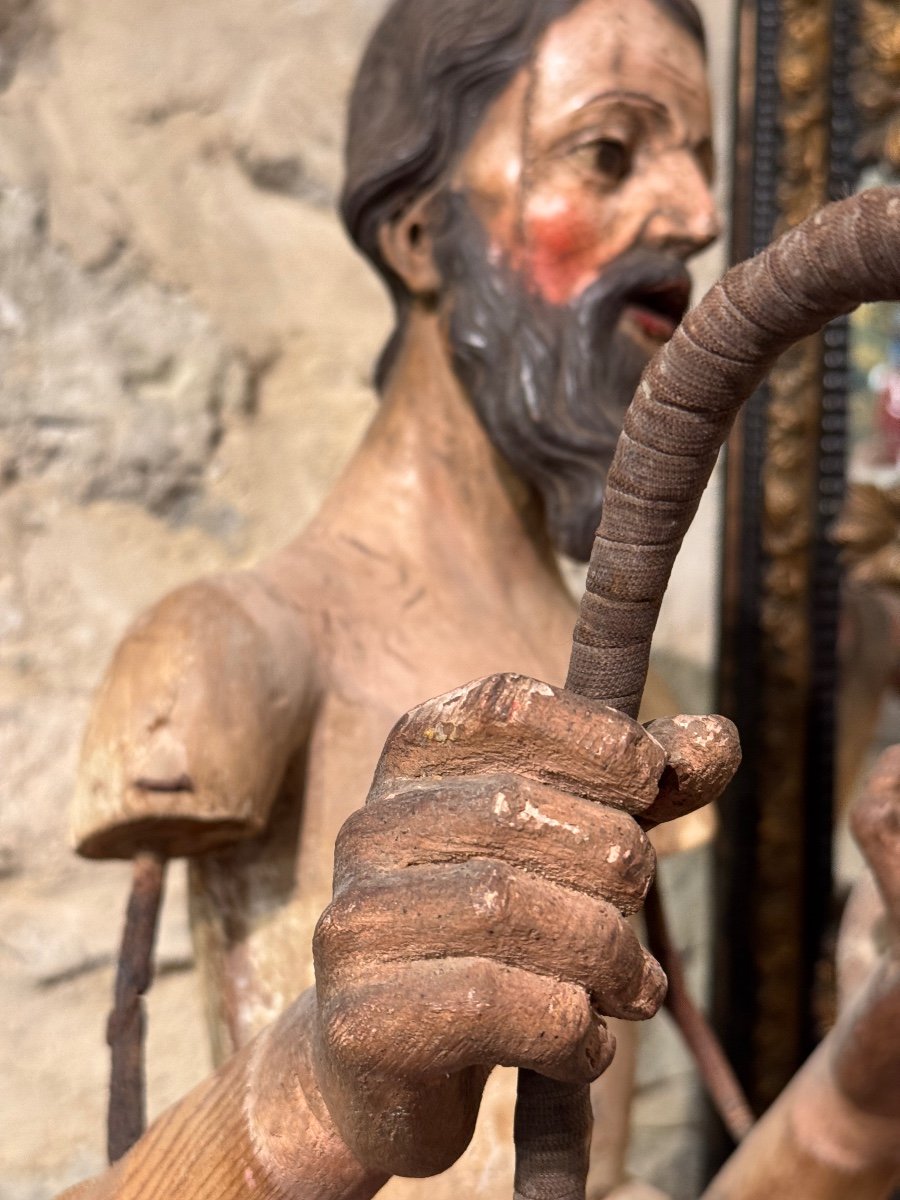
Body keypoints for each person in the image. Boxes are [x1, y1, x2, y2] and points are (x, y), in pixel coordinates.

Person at [70, 0, 720, 1193]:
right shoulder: (231, 653)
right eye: (611, 153)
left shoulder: (635, 698)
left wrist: (860, 1085)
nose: (699, 216)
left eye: (700, 160)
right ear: (422, 234)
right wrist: (316, 1088)